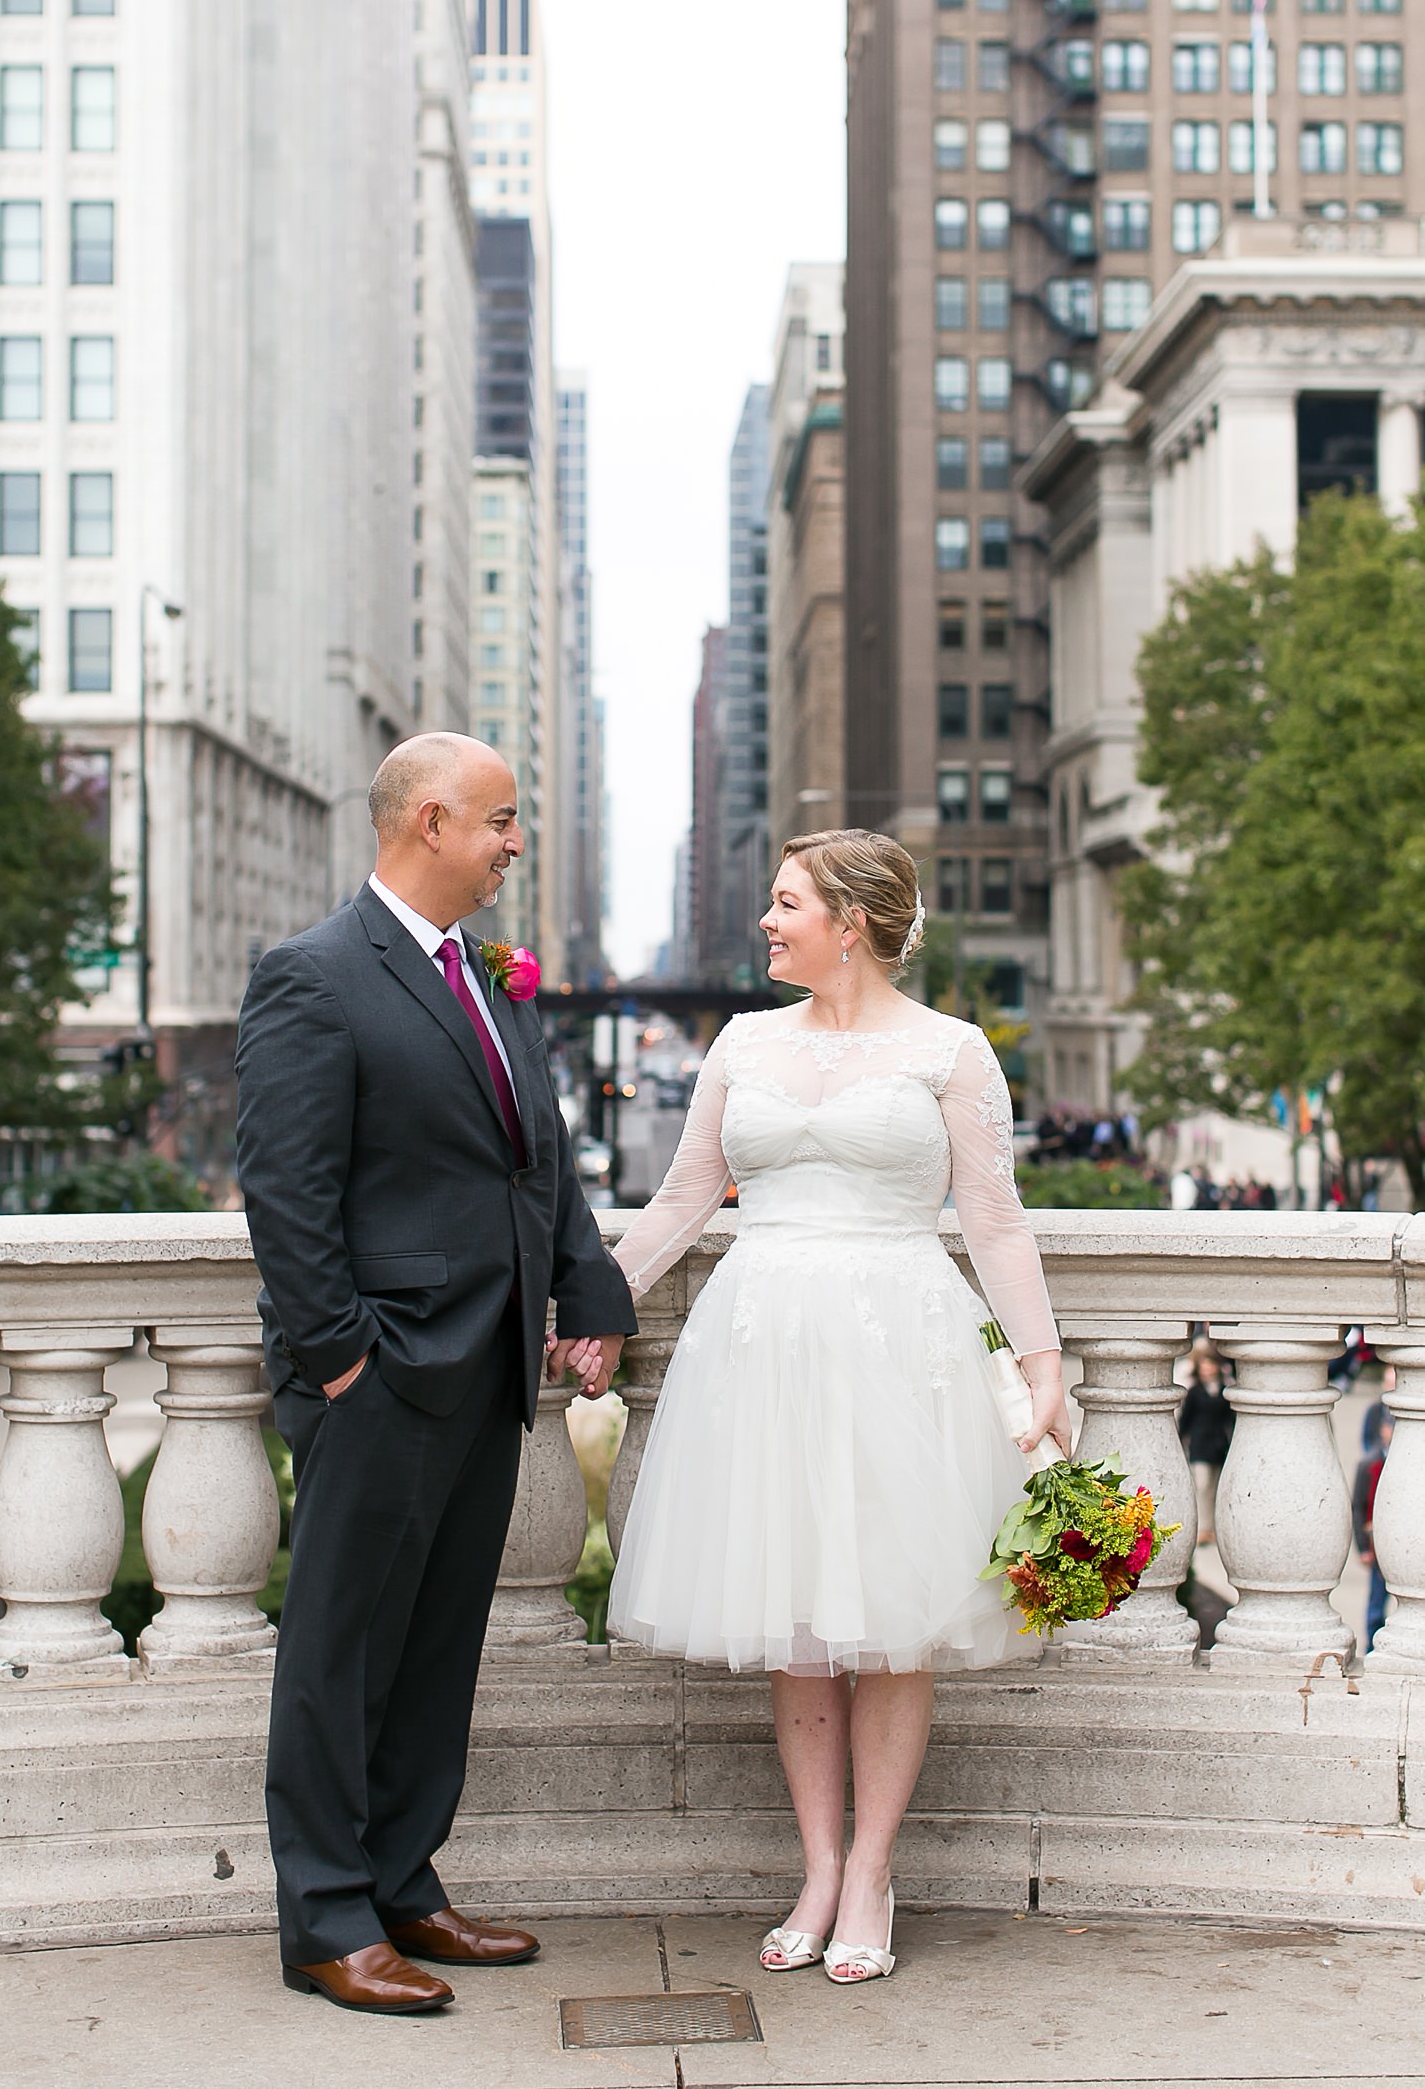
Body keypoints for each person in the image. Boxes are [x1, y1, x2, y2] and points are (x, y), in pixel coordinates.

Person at [599, 830, 1069, 1987]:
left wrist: (1044, 1359)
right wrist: (597, 1303)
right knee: (798, 1620)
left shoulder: (951, 1053)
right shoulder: (742, 1043)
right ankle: (817, 1865)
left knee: (895, 1616)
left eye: (785, 902)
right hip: (760, 1353)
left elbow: (996, 1220)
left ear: (849, 921)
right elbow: (680, 1200)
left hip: (900, 1349)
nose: (766, 921)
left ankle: (871, 1872)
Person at [235, 733, 635, 2018]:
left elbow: (537, 1157)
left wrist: (590, 1282)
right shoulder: (312, 976)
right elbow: (286, 1192)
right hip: (384, 1373)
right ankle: (327, 1920)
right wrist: (342, 1358)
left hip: (493, 1364)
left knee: (435, 1646)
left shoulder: (498, 982)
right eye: (502, 821)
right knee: (341, 1650)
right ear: (428, 822)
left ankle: (405, 1882)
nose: (517, 842)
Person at [1177, 1344, 1234, 1546]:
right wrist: (1180, 1440)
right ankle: (1202, 1527)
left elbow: (1231, 1421)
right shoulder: (1195, 1392)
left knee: (1216, 1488)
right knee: (1201, 1486)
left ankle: (1213, 1528)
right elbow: (1185, 1420)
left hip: (1218, 1445)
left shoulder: (1224, 1392)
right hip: (1199, 1445)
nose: (1207, 1369)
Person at [1352, 1414, 1394, 1652]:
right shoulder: (1368, 1464)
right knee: (1375, 1607)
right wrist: (1363, 1547)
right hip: (1376, 1545)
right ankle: (1371, 1652)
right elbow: (1357, 1507)